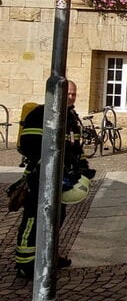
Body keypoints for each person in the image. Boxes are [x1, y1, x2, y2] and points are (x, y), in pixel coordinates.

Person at [15, 80, 91, 279]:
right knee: (33, 218)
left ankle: (48, 256)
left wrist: (83, 167)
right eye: (67, 94)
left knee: (57, 218)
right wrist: (50, 163)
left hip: (62, 179)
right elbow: (29, 145)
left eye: (73, 94)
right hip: (39, 177)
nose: (71, 97)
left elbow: (76, 149)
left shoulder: (72, 118)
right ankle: (25, 262)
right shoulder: (40, 114)